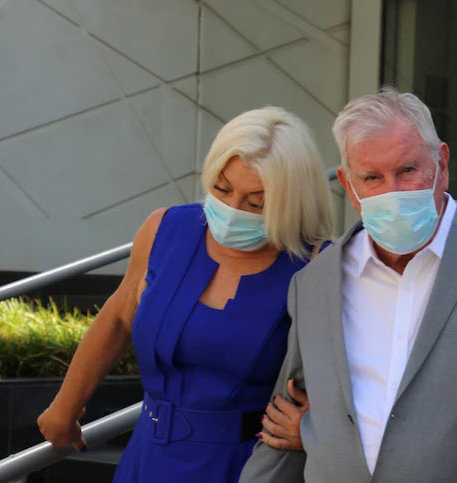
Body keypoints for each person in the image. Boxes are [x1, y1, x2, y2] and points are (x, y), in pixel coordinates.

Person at [239, 87, 457, 483]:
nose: (391, 191)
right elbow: (288, 412)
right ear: (348, 185)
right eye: (372, 177)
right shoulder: (314, 282)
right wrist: (320, 433)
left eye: (407, 170)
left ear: (441, 162)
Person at [36, 107, 333, 482]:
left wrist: (317, 428)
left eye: (255, 203)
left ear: (291, 202)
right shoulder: (166, 228)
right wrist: (65, 408)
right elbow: (119, 314)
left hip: (250, 466)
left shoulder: (317, 264)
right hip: (148, 455)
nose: (231, 210)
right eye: (221, 189)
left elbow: (352, 375)